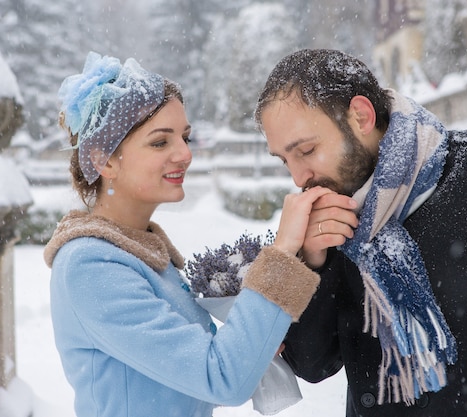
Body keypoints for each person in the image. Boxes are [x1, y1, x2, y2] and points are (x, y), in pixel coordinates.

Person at [254, 48, 467, 417]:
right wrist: (310, 261)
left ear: (361, 116)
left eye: (306, 150)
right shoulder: (331, 208)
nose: (297, 178)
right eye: (284, 160)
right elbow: (313, 365)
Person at [43, 51, 334, 417]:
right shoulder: (91, 266)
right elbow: (222, 378)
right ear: (104, 161)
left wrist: (257, 324)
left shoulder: (146, 257)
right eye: (160, 142)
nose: (185, 154)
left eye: (185, 137)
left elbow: (198, 382)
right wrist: (284, 250)